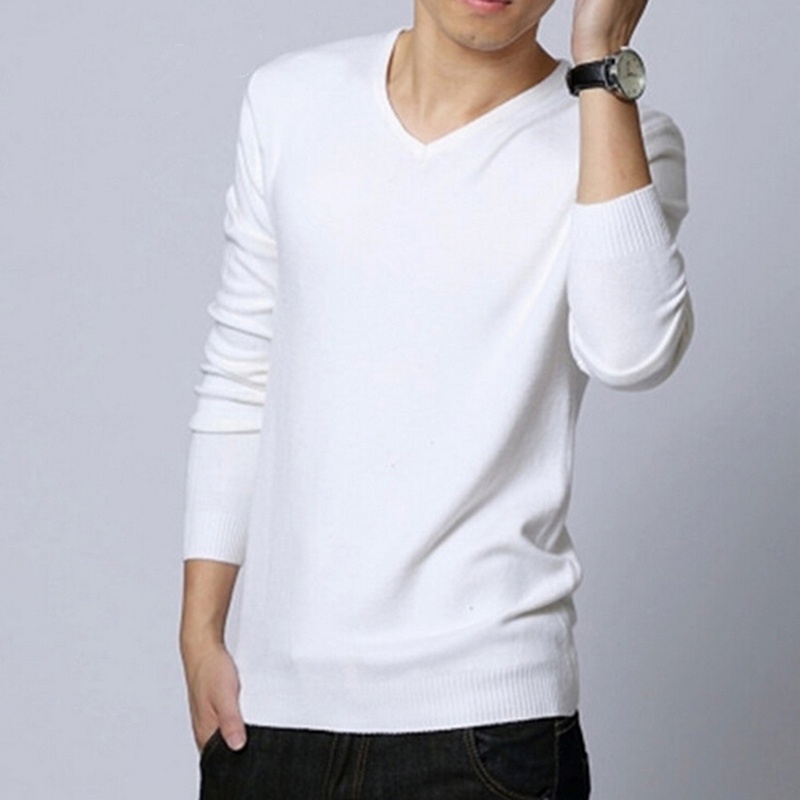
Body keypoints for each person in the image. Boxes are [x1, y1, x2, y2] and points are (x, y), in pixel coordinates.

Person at [179, 0, 693, 797]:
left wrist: (602, 61)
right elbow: (243, 371)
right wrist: (201, 629)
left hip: (488, 729)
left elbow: (631, 352)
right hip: (272, 717)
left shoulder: (619, 134)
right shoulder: (290, 101)